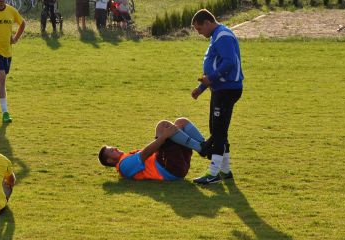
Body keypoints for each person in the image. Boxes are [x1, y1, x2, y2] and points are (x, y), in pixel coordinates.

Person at [190, 9, 243, 184]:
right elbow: (217, 64)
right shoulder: (217, 36)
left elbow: (229, 63)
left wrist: (209, 79)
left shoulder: (223, 36)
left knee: (218, 131)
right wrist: (201, 87)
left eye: (199, 29)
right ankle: (225, 171)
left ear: (207, 22)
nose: (199, 33)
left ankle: (213, 173)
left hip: (227, 89)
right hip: (221, 89)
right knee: (219, 131)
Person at [98, 118, 209, 181]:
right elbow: (146, 152)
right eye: (112, 151)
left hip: (172, 165)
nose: (115, 148)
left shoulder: (125, 158)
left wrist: (165, 137)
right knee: (162, 126)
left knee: (181, 122)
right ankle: (201, 148)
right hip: (169, 169)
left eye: (113, 148)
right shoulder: (123, 166)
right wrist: (164, 136)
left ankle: (205, 146)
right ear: (110, 161)